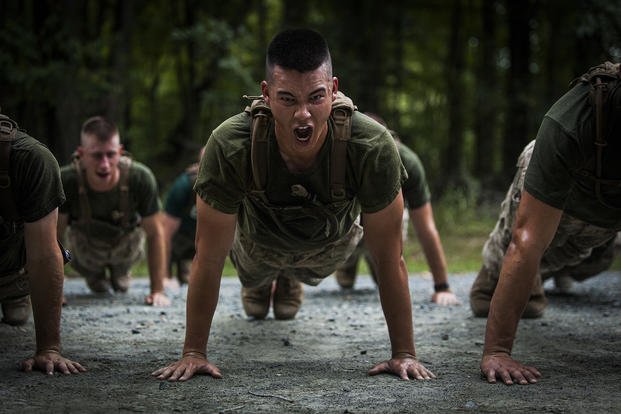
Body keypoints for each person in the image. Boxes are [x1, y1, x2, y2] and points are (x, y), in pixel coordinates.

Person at [153, 28, 435, 381]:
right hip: (256, 248)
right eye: (288, 99)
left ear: (334, 90)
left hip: (329, 248)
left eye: (316, 97)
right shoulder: (230, 144)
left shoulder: (371, 145)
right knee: (259, 291)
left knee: (306, 278)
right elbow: (208, 257)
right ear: (266, 95)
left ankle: (288, 279)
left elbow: (390, 257)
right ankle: (267, 281)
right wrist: (194, 352)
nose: (303, 114)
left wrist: (404, 353)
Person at [471, 62, 621, 385]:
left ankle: (550, 272)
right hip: (558, 196)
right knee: (524, 258)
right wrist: (497, 350)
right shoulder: (576, 116)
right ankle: (492, 276)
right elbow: (526, 240)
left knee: (584, 258)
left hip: (606, 221)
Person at [335, 113, 459, 306]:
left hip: (380, 221)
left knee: (388, 278)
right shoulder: (339, 154)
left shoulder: (407, 162)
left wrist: (442, 287)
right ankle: (349, 260)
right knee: (345, 281)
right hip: (349, 220)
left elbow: (426, 227)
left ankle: (374, 254)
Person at [0, 111, 85, 374]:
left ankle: (14, 293)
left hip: (12, 269)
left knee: (16, 316)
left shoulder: (29, 159)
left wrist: (48, 348)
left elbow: (44, 254)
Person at [57, 116, 170, 306]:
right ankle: (96, 277)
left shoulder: (140, 178)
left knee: (121, 283)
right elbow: (54, 236)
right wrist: (54, 293)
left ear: (120, 152)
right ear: (81, 153)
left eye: (110, 154)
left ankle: (121, 274)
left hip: (126, 251)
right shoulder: (66, 180)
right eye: (96, 155)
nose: (104, 164)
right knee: (98, 286)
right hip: (85, 253)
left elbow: (156, 234)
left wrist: (157, 290)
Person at [161, 147, 205, 286]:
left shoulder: (230, 185)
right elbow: (165, 235)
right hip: (181, 241)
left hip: (205, 240)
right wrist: (164, 276)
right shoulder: (183, 187)